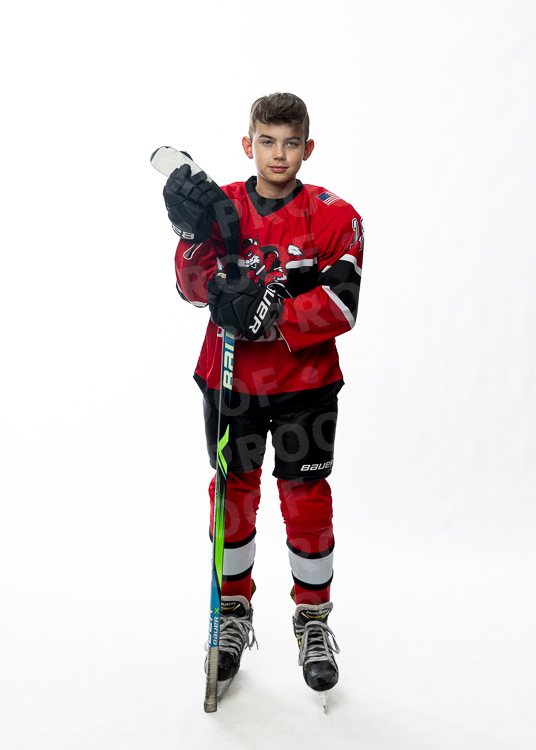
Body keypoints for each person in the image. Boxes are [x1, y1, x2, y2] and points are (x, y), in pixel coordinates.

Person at [162, 93, 364, 701]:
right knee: (233, 496)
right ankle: (231, 615)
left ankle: (313, 620)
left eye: (291, 142)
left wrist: (272, 316)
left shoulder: (335, 216)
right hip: (230, 383)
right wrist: (190, 234)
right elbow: (189, 287)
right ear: (248, 145)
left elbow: (343, 305)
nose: (279, 154)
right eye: (267, 142)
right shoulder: (222, 204)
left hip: (307, 386)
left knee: (306, 500)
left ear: (308, 147)